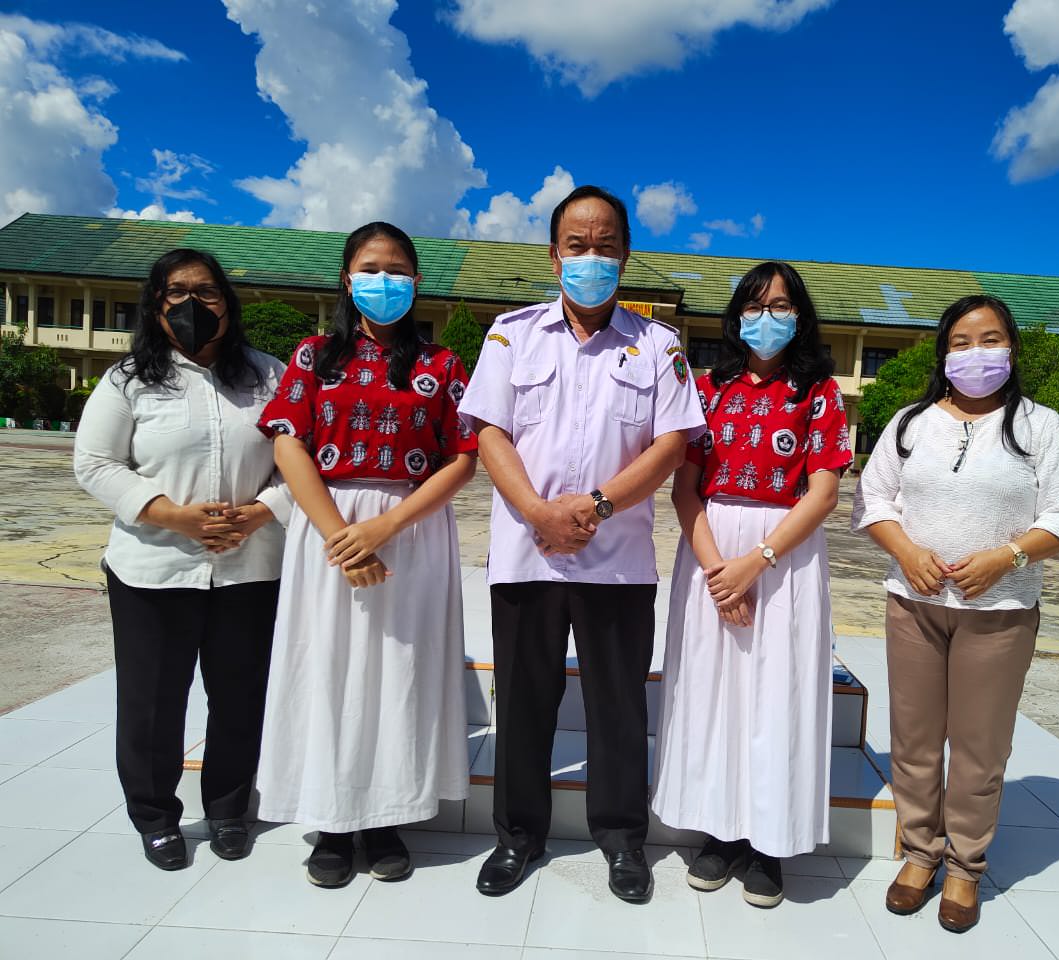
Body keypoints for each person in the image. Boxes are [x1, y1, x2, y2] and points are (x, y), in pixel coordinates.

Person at [458, 185, 706, 903]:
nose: (590, 258)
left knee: (618, 708)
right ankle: (517, 837)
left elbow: (669, 446)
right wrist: (538, 511)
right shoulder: (512, 333)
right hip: (526, 551)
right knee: (526, 703)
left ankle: (623, 842)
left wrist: (594, 506)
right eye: (577, 245)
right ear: (554, 252)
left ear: (624, 256)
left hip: (618, 563)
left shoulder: (657, 345)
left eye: (605, 247)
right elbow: (489, 432)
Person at [851, 294, 1059, 932]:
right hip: (915, 604)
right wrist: (905, 552)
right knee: (916, 737)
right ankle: (920, 851)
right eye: (960, 341)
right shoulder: (910, 423)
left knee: (981, 747)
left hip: (1001, 610)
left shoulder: (1041, 427)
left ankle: (964, 866)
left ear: (1011, 348)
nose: (975, 353)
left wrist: (1006, 557)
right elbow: (874, 499)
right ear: (943, 352)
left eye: (990, 339)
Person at [255, 221, 477, 888]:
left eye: (398, 269)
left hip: (411, 530)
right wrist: (337, 534)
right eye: (370, 268)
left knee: (398, 670)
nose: (385, 281)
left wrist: (385, 529)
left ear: (417, 282)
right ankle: (331, 819)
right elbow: (288, 442)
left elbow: (462, 458)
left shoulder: (442, 366)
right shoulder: (311, 357)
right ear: (348, 280)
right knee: (328, 665)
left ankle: (384, 815)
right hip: (328, 527)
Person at [74, 249, 289, 871]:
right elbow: (94, 463)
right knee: (152, 701)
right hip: (153, 568)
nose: (193, 304)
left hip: (249, 567)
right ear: (156, 304)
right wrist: (173, 514)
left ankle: (227, 808)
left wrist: (258, 512)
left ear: (229, 301)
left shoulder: (267, 376)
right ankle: (155, 816)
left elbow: (298, 462)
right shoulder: (129, 380)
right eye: (176, 292)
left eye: (208, 291)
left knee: (239, 696)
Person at [651, 261, 852, 908]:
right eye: (756, 304)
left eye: (783, 305)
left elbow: (822, 493)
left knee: (776, 694)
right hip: (710, 554)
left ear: (801, 316)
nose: (769, 316)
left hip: (783, 560)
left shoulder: (819, 392)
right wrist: (718, 571)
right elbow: (685, 488)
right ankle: (719, 830)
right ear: (736, 315)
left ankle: (768, 840)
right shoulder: (706, 389)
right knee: (713, 693)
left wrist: (755, 562)